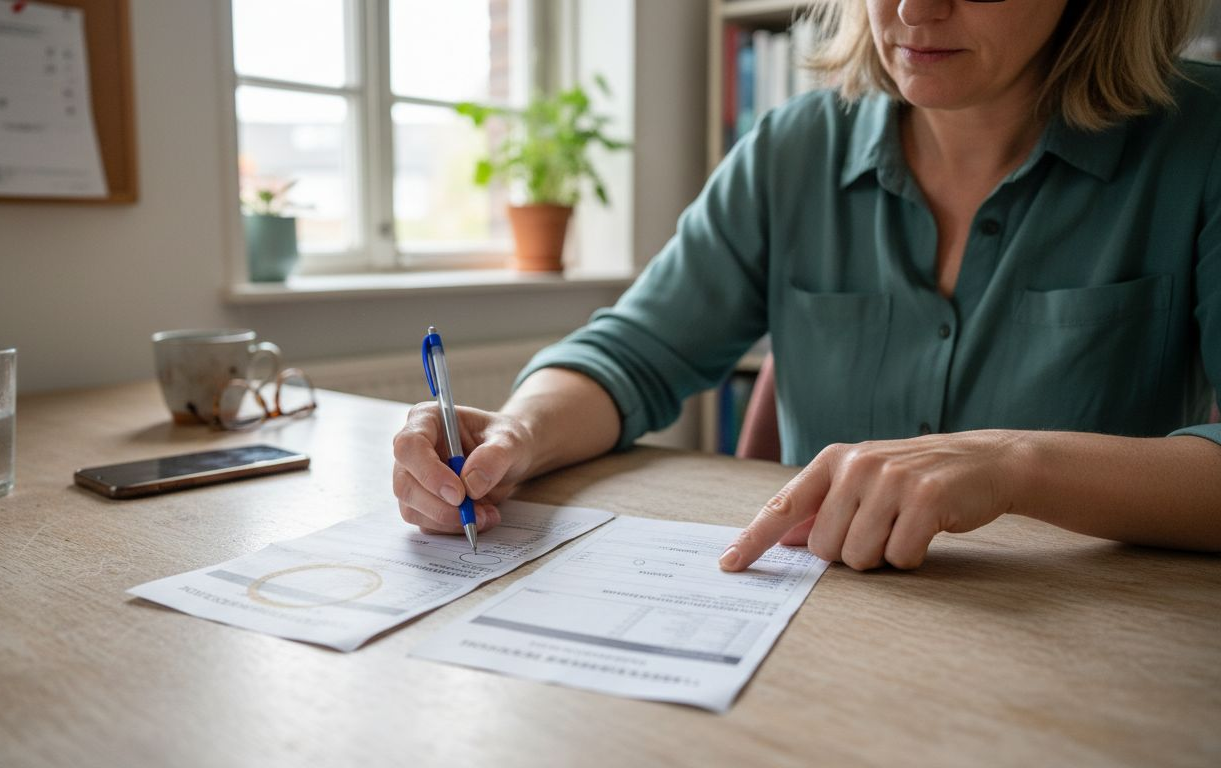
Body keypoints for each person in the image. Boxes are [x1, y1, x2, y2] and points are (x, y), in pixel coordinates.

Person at [392, 0, 1221, 571]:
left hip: (1089, 636)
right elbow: (634, 351)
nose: (911, 8)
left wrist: (1017, 462)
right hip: (815, 622)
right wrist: (519, 430)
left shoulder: (1202, 143)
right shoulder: (790, 149)